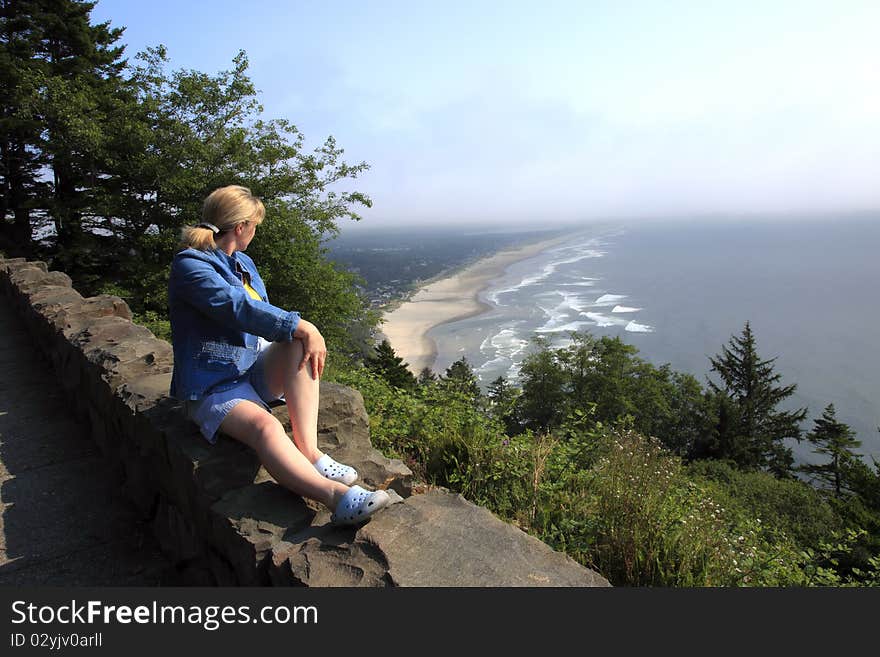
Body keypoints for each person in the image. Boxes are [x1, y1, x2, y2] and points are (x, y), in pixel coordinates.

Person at [168, 185, 390, 526]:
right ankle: (337, 498)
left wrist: (300, 331)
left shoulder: (242, 262)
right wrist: (302, 325)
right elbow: (237, 308)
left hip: (249, 368)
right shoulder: (190, 266)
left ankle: (310, 453)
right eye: (254, 225)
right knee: (266, 426)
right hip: (214, 385)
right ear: (241, 226)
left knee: (298, 344)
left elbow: (264, 315)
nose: (255, 232)